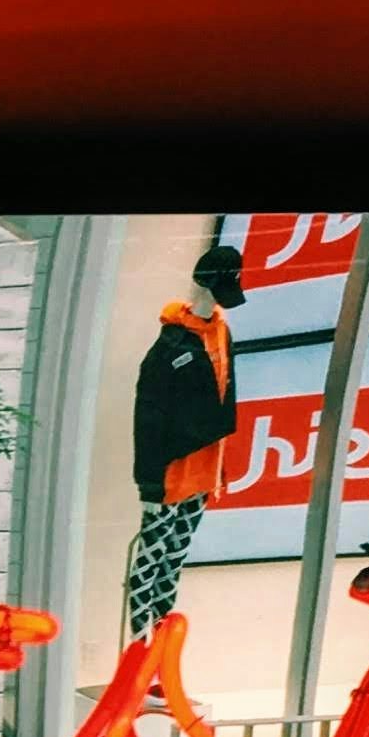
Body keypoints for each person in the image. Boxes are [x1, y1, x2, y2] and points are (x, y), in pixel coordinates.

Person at [123, 240, 251, 642]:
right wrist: (149, 480)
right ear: (203, 285)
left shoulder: (222, 331)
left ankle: (159, 651)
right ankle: (137, 649)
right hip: (172, 470)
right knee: (151, 559)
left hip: (204, 468)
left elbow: (224, 396)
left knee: (174, 559)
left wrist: (221, 466)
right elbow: (147, 418)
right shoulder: (169, 348)